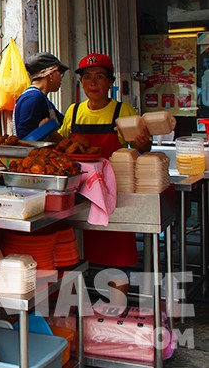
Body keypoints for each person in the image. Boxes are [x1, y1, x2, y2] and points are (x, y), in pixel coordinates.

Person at [58, 52, 151, 305]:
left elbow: (143, 150)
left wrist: (144, 144)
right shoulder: (73, 112)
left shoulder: (123, 111)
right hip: (79, 196)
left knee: (115, 253)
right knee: (76, 253)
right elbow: (62, 144)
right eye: (87, 77)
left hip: (114, 195)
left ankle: (117, 308)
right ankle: (81, 310)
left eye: (99, 77)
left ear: (110, 82)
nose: (93, 83)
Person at [13, 52, 69, 138]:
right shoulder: (33, 98)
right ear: (50, 74)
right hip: (36, 151)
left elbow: (65, 123)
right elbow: (24, 139)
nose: (61, 77)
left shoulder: (42, 99)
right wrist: (46, 130)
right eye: (59, 72)